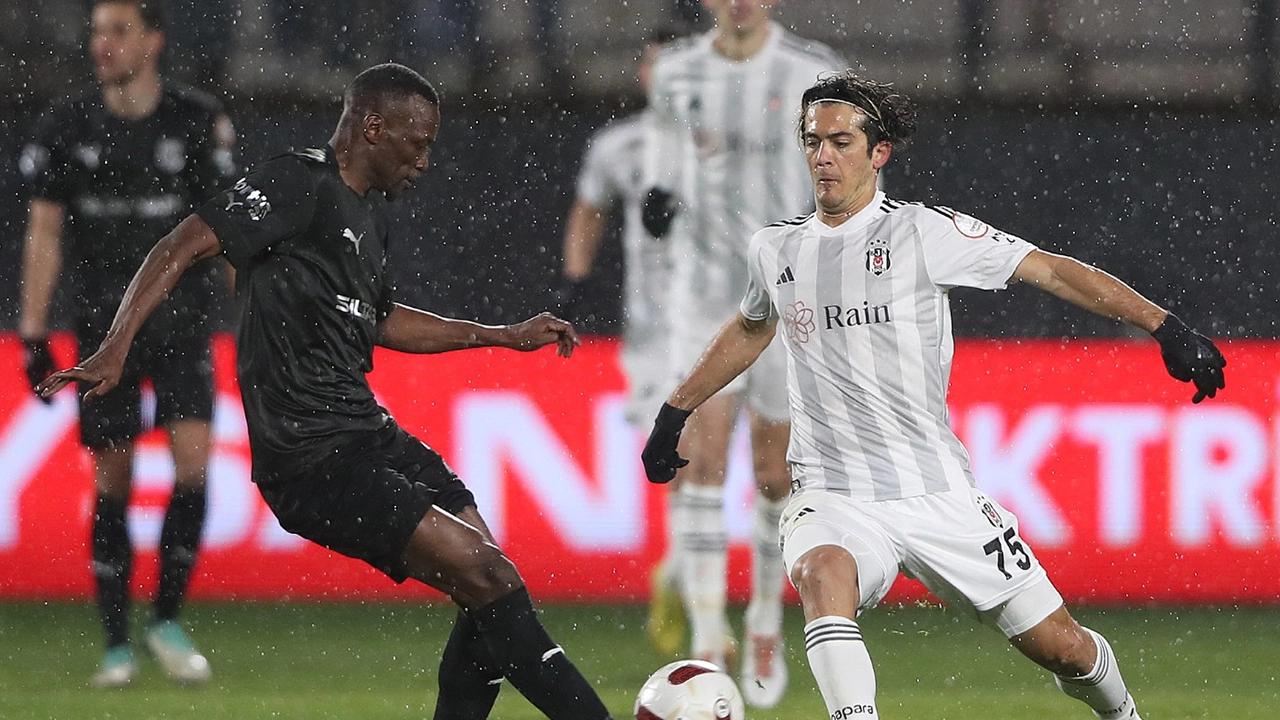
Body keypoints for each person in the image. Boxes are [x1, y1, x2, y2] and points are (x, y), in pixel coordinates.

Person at [641, 72, 1226, 719]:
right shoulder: (776, 248)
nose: (823, 156)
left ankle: (1122, 713)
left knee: (1065, 649)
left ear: (879, 152)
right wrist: (676, 409)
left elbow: (1050, 269)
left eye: (840, 142)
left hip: (937, 493)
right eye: (812, 142)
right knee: (821, 573)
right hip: (833, 493)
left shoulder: (924, 233)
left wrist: (1164, 326)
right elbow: (754, 326)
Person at [38, 63, 614, 720]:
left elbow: (381, 319)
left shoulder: (370, 215)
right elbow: (180, 244)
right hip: (310, 459)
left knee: (488, 583)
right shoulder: (296, 182)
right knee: (487, 577)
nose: (424, 163)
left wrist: (501, 335)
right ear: (373, 127)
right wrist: (116, 344)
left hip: (366, 433)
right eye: (417, 144)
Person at [17, 0, 236, 687]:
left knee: (193, 466)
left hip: (181, 323)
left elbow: (228, 228)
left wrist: (261, 310)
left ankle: (165, 620)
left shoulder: (195, 121)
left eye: (118, 31)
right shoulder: (65, 125)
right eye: (96, 32)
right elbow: (45, 234)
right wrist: (32, 335)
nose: (102, 44)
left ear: (153, 41)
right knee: (113, 478)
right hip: (101, 330)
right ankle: (116, 644)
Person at [641, 0, 843, 706]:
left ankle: (763, 616)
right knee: (701, 456)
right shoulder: (677, 73)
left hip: (789, 296)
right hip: (703, 295)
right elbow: (662, 165)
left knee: (774, 471)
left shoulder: (813, 74)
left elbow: (852, 173)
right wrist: (659, 198)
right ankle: (706, 636)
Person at [555, 26, 683, 656]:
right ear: (642, 74)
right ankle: (688, 586)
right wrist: (574, 284)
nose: (665, 77)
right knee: (687, 459)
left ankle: (693, 578)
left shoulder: (735, 144)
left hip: (737, 320)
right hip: (656, 332)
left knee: (769, 468)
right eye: (655, 65)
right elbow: (589, 208)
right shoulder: (619, 146)